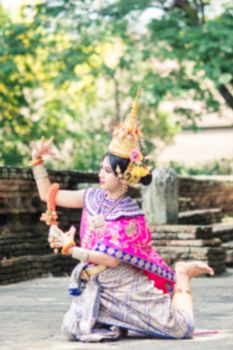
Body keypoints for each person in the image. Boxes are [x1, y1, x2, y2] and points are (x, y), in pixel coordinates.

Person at [30, 91, 214, 342]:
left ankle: (182, 273)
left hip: (124, 283)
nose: (101, 174)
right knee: (72, 328)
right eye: (101, 168)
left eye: (107, 170)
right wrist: (37, 161)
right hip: (96, 280)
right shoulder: (91, 197)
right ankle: (114, 323)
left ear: (125, 176)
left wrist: (70, 248)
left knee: (181, 329)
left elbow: (113, 260)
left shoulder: (130, 215)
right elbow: (47, 195)